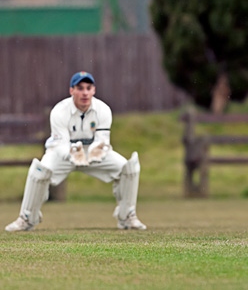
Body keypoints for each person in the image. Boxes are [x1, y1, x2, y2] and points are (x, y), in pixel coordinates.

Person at [5, 71, 146, 232]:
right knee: (39, 171)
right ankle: (27, 219)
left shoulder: (103, 109)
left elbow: (103, 140)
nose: (85, 93)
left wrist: (95, 151)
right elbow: (59, 144)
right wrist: (73, 152)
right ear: (71, 90)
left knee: (129, 168)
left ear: (94, 90)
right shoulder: (59, 111)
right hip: (62, 154)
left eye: (88, 88)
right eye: (80, 88)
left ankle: (127, 217)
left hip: (93, 155)